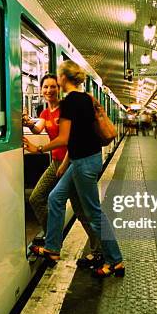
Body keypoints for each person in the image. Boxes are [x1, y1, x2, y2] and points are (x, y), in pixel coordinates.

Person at [23, 60, 125, 278]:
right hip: (84, 159)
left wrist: (38, 148)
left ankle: (115, 260)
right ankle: (52, 248)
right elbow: (78, 137)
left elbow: (64, 138)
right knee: (55, 198)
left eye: (57, 78)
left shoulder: (69, 103)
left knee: (93, 212)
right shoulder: (85, 99)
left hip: (84, 163)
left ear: (62, 78)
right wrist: (65, 165)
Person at [23, 74, 102, 267]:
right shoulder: (45, 112)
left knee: (81, 210)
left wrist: (64, 162)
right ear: (41, 90)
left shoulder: (66, 110)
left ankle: (98, 250)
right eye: (45, 87)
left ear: (59, 89)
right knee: (37, 198)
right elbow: (38, 128)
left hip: (72, 162)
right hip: (56, 163)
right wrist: (27, 121)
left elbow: (72, 140)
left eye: (53, 87)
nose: (49, 90)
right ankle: (53, 240)